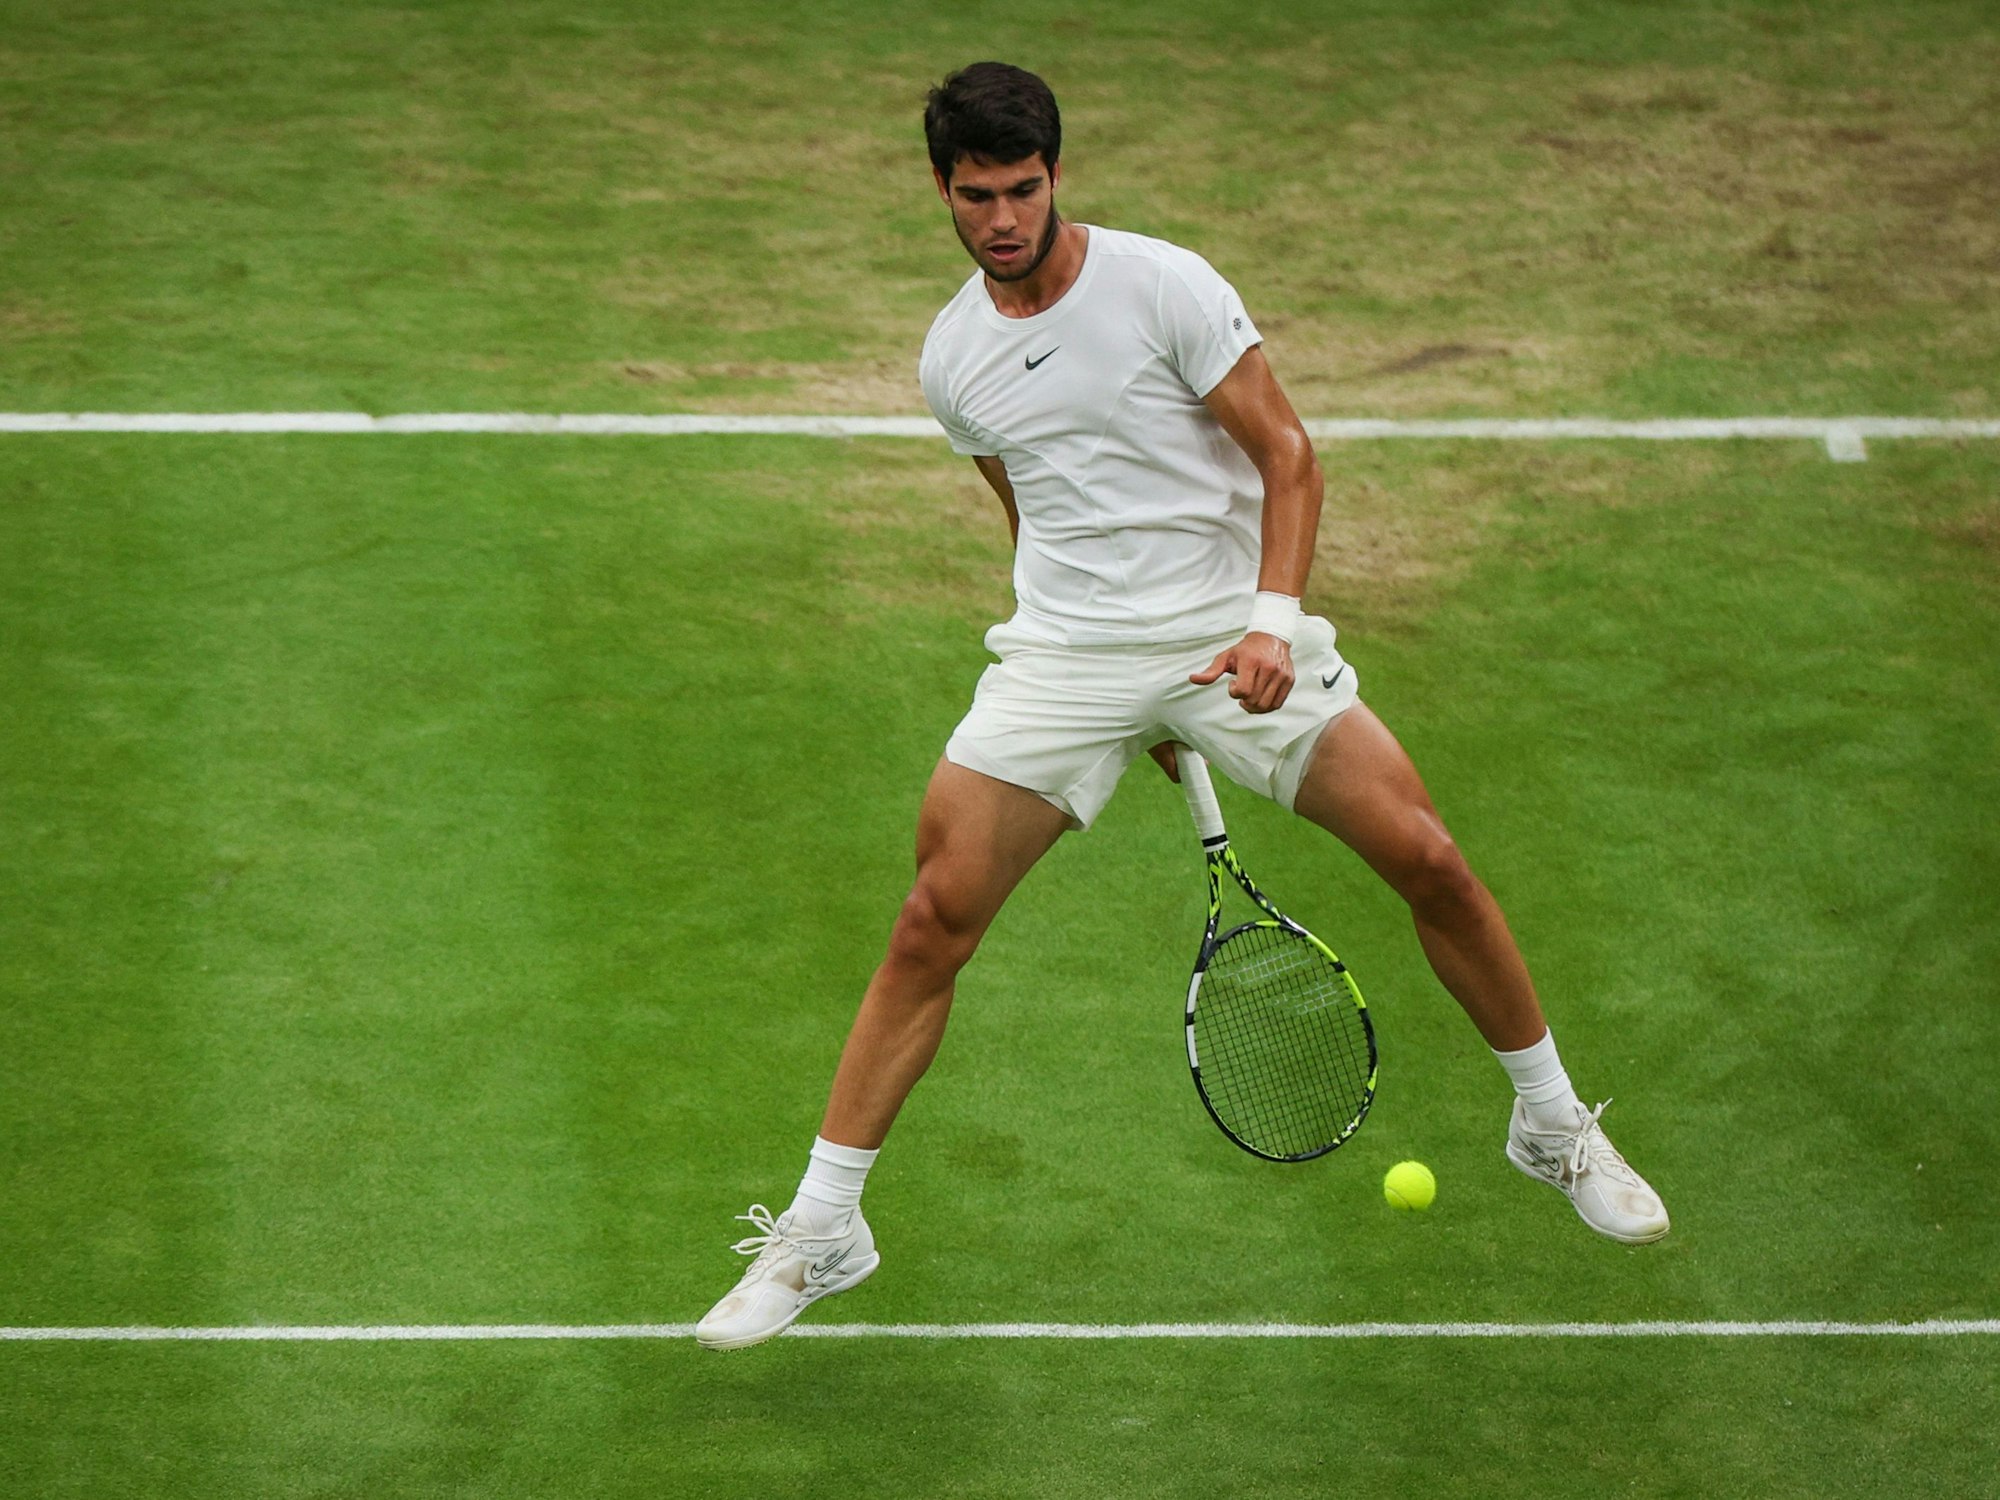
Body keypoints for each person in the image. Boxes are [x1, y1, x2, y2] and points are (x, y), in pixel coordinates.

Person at [695, 61, 1667, 1351]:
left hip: (1232, 632)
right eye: (975, 195)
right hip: (1068, 655)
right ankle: (825, 1231)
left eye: (1023, 189)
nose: (1002, 218)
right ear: (940, 189)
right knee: (933, 918)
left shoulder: (1163, 285)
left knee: (1429, 859)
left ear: (1057, 174)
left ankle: (1551, 1125)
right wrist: (1125, 700)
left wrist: (1268, 628)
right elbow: (1028, 508)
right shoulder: (951, 359)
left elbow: (1288, 454)